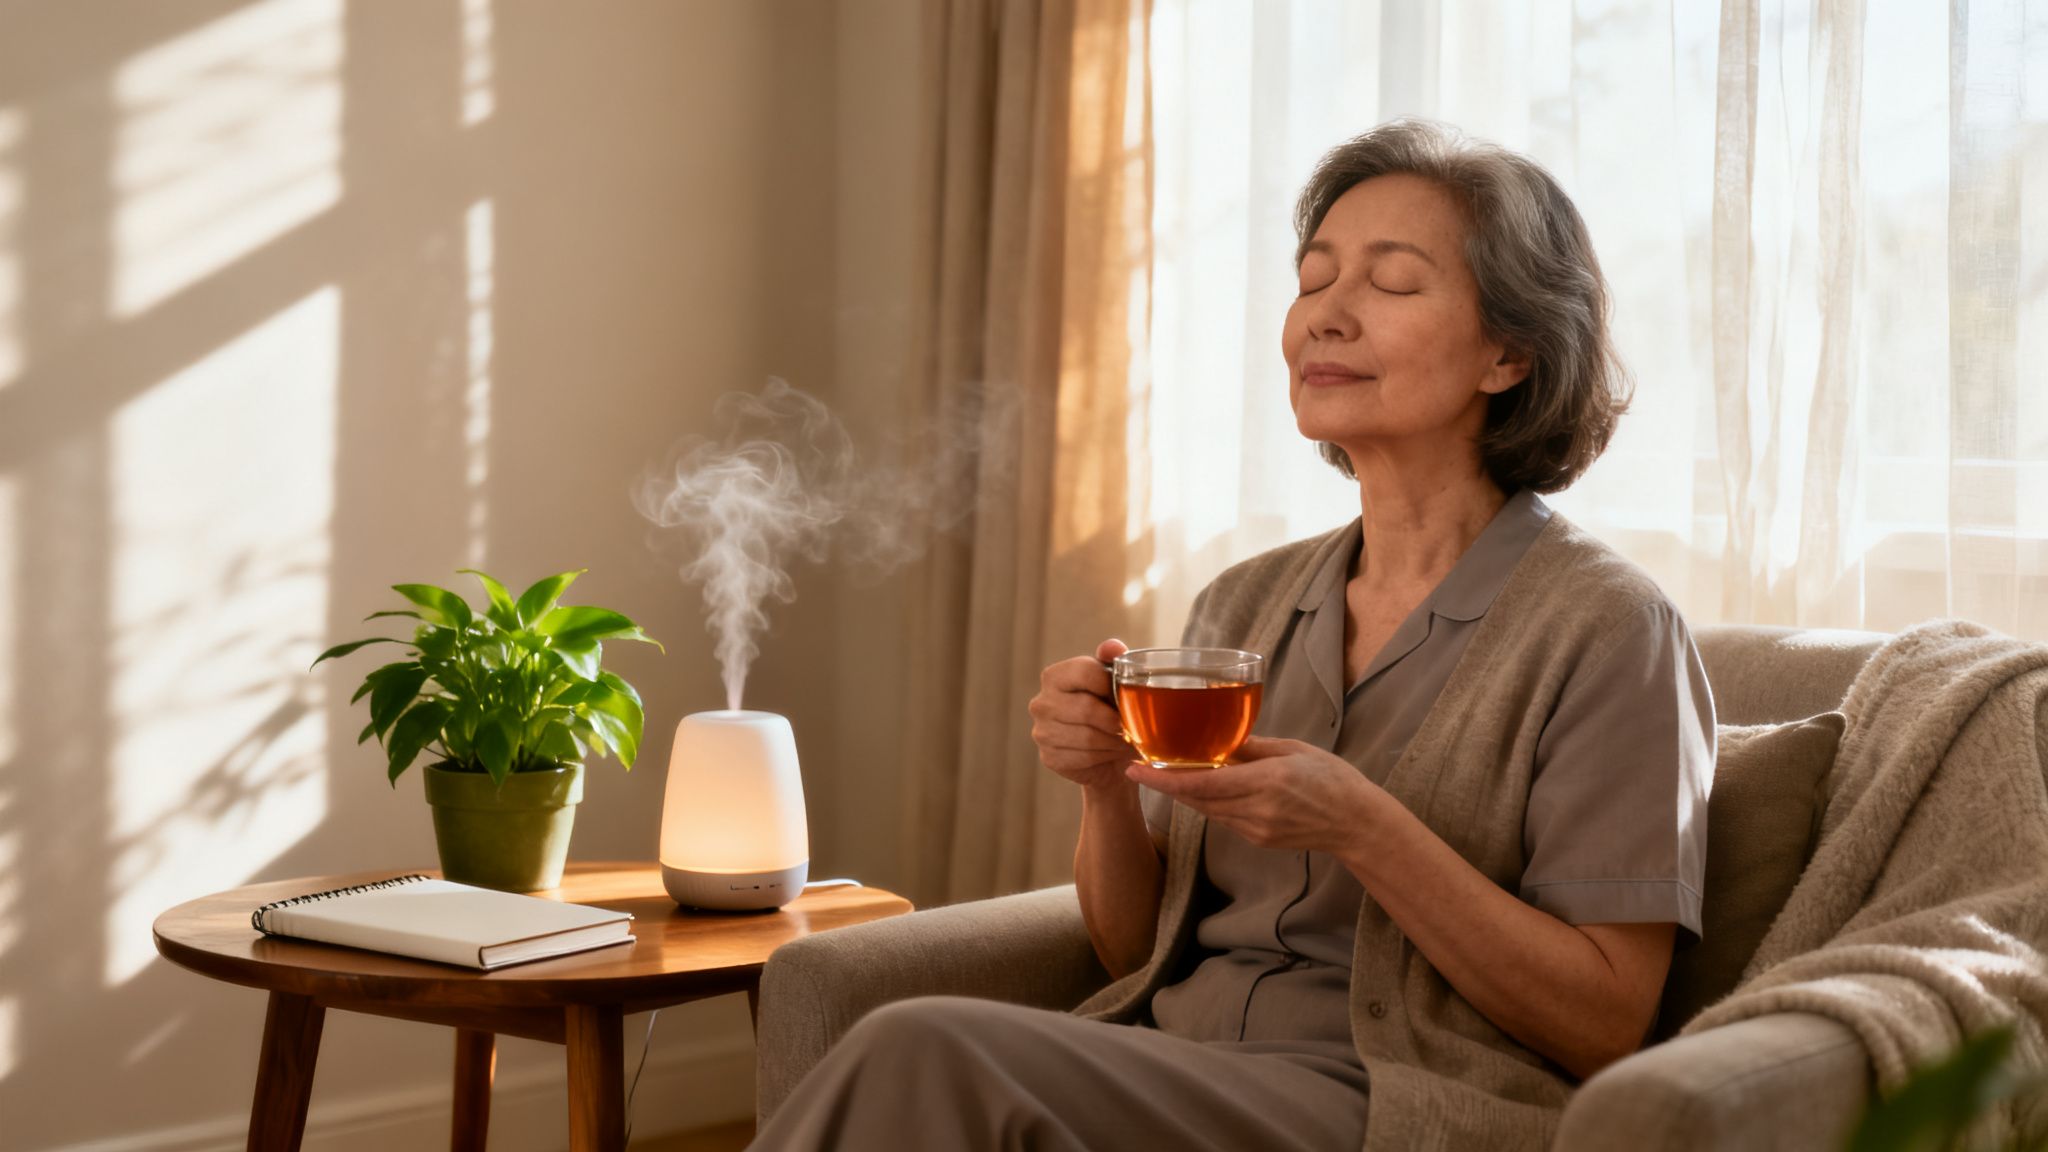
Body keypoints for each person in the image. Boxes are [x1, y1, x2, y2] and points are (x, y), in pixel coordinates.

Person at [750, 118, 1713, 1152]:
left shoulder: (1608, 629)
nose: (1322, 319)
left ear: (1508, 352)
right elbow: (1135, 953)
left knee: (922, 1051)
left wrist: (1362, 826)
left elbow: (1608, 1022)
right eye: (1311, 280)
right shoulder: (1239, 607)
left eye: (1388, 284)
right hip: (1179, 1063)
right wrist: (1105, 791)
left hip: (1393, 1101)